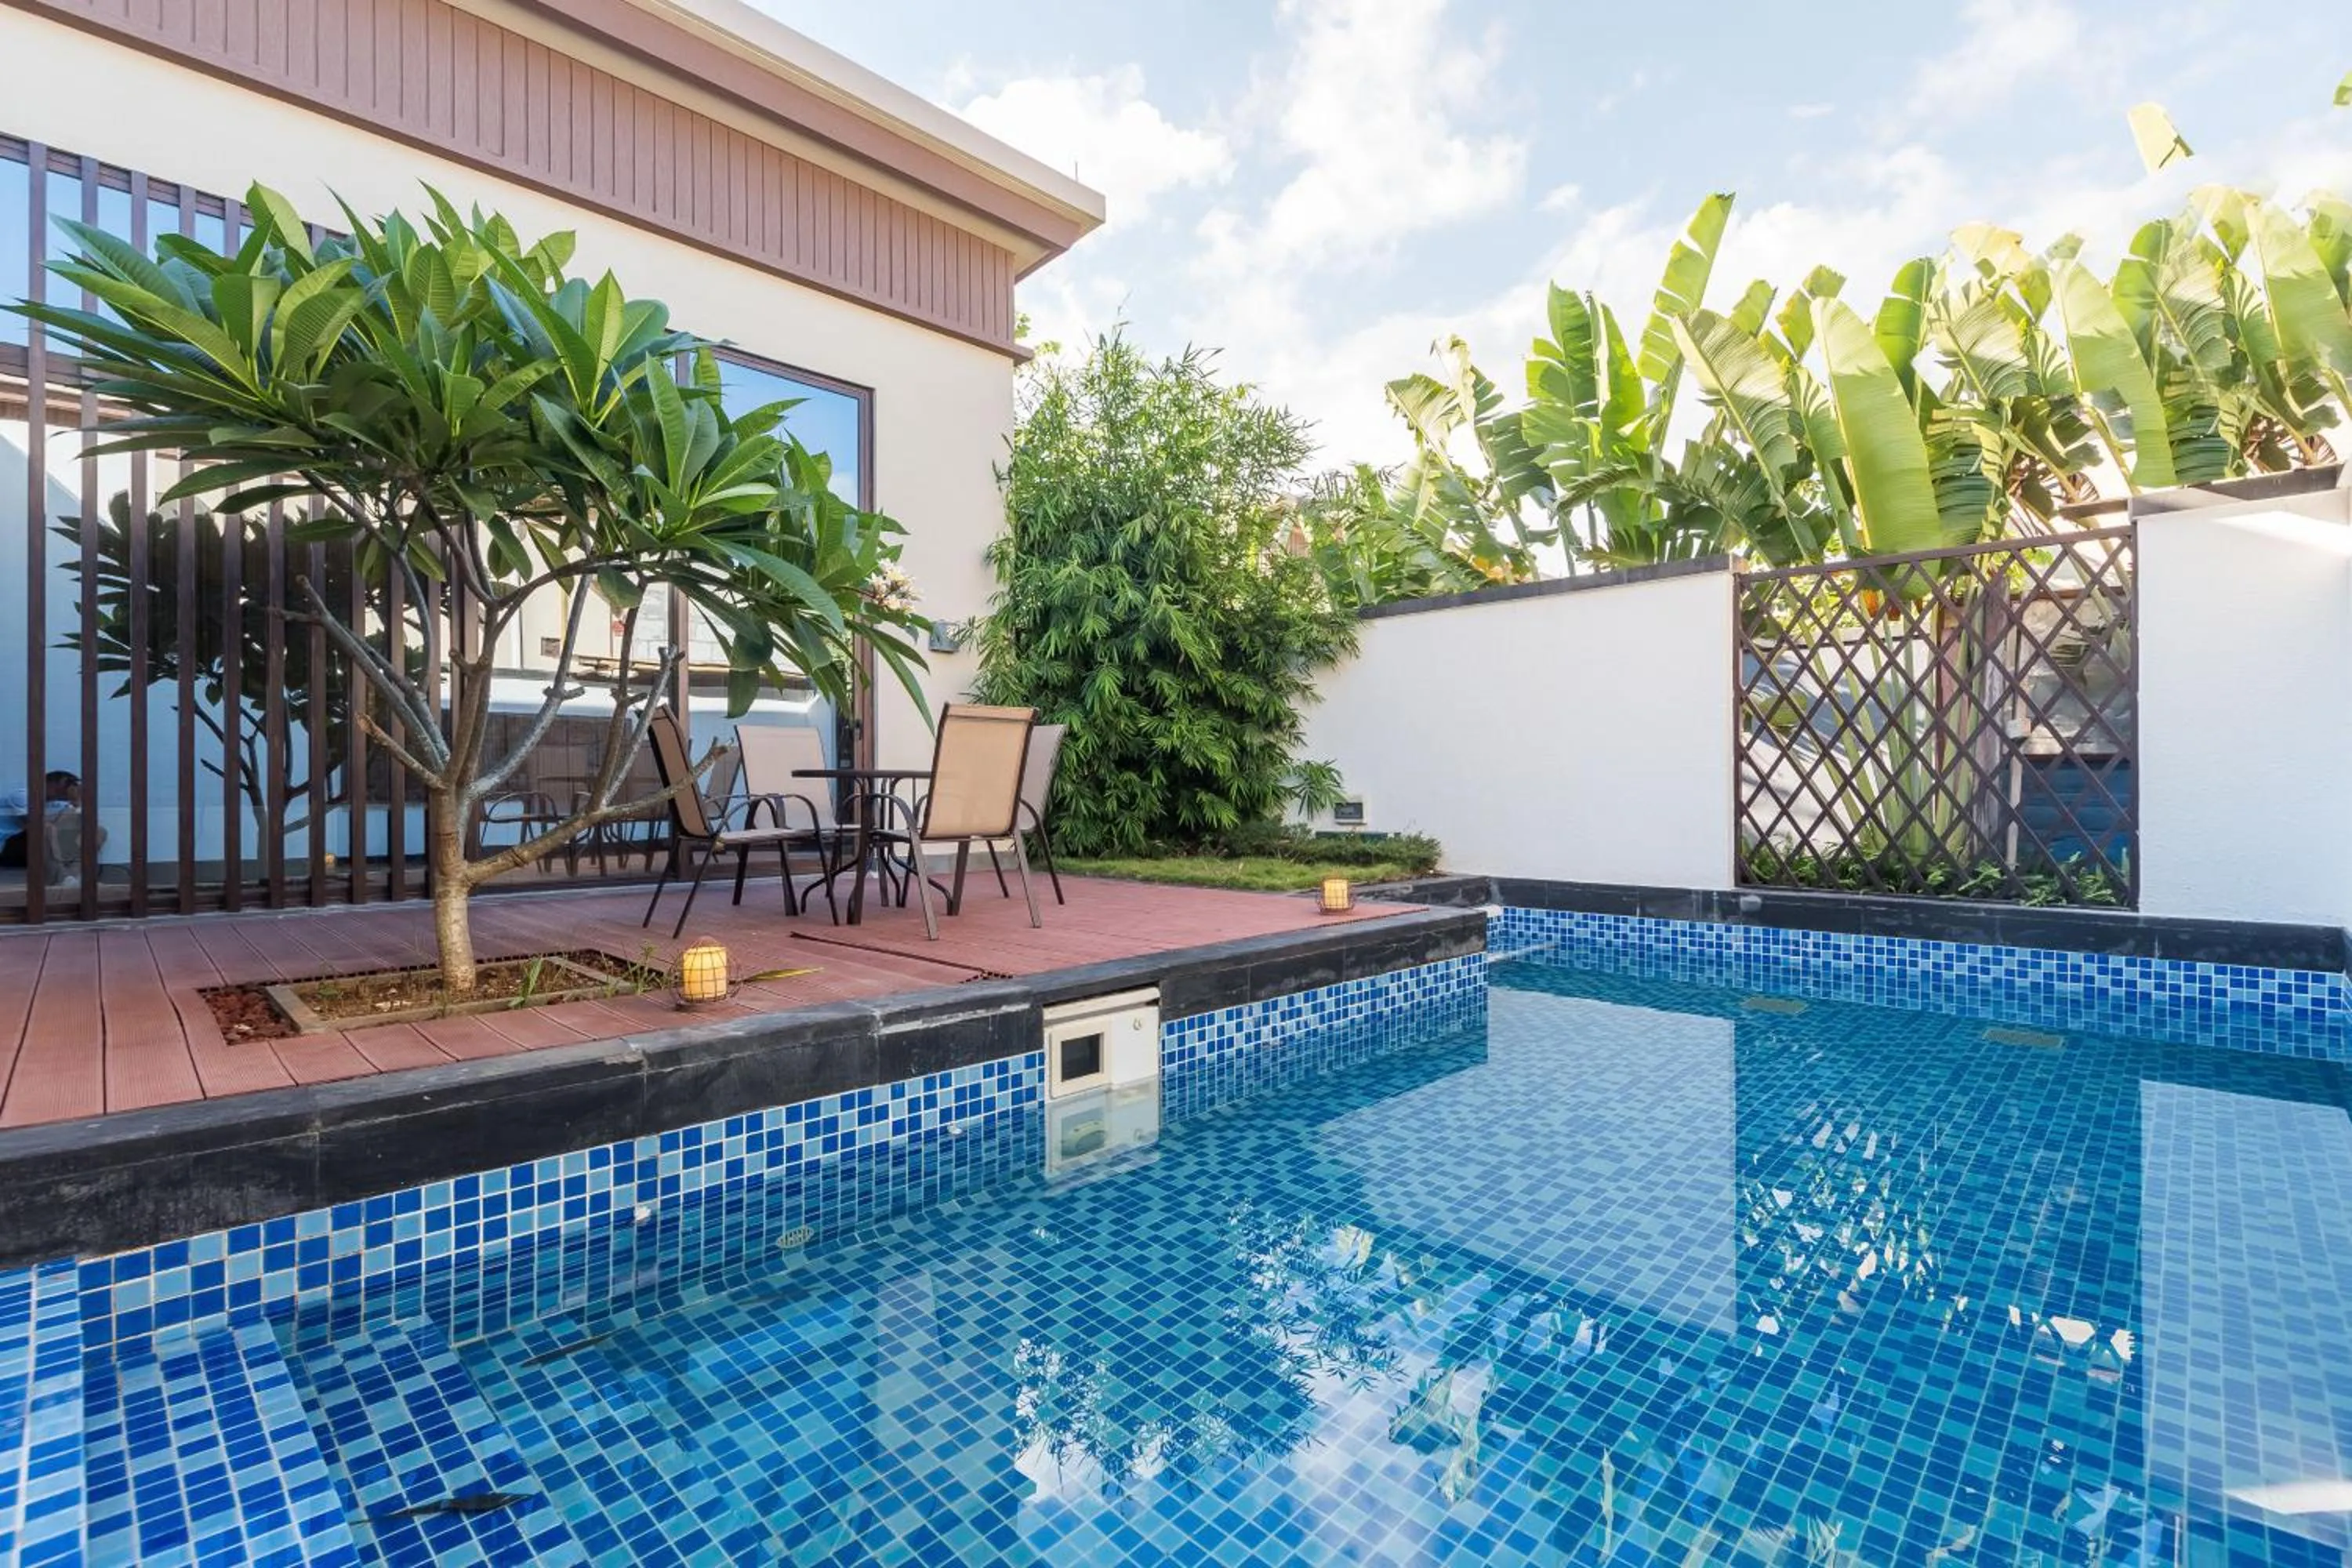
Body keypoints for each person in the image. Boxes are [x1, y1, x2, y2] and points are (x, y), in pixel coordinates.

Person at [0, 771, 103, 887]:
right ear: (59, 783)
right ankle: (61, 879)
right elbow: (32, 825)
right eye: (69, 785)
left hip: (46, 847)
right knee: (45, 828)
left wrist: (76, 803)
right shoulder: (22, 795)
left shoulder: (60, 804)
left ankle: (73, 878)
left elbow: (83, 825)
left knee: (97, 831)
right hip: (10, 847)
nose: (69, 791)